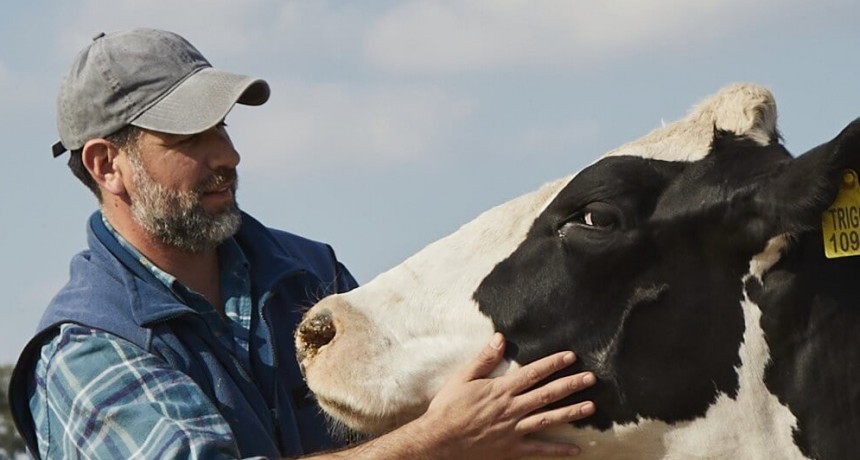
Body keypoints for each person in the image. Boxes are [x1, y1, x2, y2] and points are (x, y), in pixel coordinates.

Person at [8, 28, 597, 459]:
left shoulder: (307, 272)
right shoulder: (84, 350)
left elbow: (431, 396)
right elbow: (441, 430)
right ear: (107, 165)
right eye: (190, 134)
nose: (228, 156)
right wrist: (439, 441)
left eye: (223, 126)